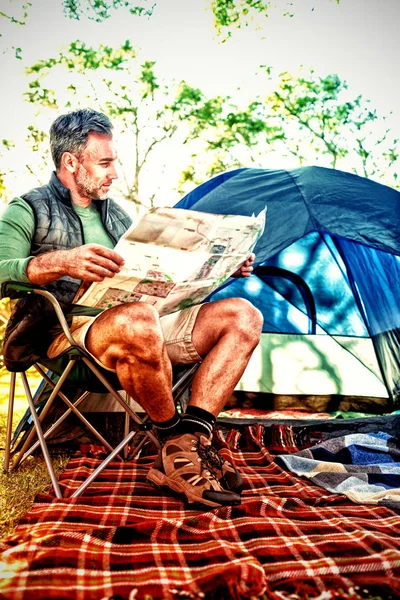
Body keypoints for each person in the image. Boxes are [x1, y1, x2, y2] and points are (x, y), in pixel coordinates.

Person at [0, 108, 263, 509]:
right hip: (67, 335)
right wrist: (61, 262)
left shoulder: (117, 214)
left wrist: (224, 268)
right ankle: (177, 446)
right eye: (104, 163)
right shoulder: (29, 208)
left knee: (243, 315)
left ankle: (190, 440)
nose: (114, 173)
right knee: (139, 319)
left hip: (140, 321)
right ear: (70, 162)